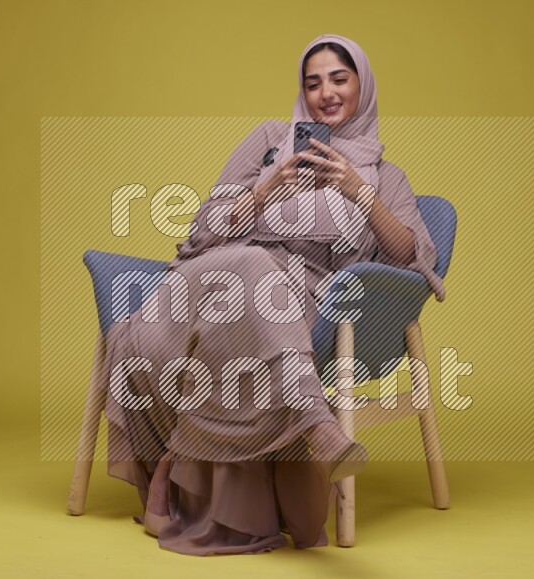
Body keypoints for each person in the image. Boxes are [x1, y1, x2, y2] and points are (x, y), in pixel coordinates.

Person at [98, 33, 446, 556]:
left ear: (362, 87)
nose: (325, 93)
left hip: (286, 309)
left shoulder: (383, 177)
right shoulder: (268, 141)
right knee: (254, 262)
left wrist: (359, 191)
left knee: (258, 309)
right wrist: (263, 191)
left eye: (339, 78)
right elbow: (201, 232)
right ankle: (315, 424)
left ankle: (173, 470)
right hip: (207, 285)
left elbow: (412, 257)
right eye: (312, 83)